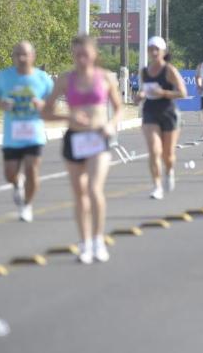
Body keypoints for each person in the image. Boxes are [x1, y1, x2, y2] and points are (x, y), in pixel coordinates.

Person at [42, 35, 122, 264]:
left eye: (85, 54)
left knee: (95, 189)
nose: (81, 58)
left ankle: (98, 241)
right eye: (77, 54)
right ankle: (84, 243)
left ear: (94, 54)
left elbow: (118, 108)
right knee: (80, 194)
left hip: (98, 137)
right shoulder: (66, 79)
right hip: (75, 137)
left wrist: (110, 125)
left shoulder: (105, 78)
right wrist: (69, 115)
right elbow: (46, 112)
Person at [0, 42, 53, 222]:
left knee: (32, 169)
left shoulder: (42, 78)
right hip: (12, 135)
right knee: (9, 174)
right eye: (17, 54)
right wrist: (1, 104)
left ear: (33, 56)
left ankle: (27, 205)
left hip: (34, 132)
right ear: (13, 57)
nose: (21, 58)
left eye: (25, 54)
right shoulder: (4, 77)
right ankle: (17, 183)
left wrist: (43, 104)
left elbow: (53, 101)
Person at [136, 36, 187, 200]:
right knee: (154, 151)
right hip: (150, 111)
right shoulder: (144, 71)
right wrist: (140, 96)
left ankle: (170, 171)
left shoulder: (169, 70)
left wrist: (163, 93)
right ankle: (157, 186)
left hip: (168, 112)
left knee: (168, 155)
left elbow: (183, 93)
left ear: (163, 51)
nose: (154, 52)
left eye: (157, 49)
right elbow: (143, 90)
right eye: (151, 49)